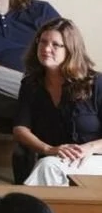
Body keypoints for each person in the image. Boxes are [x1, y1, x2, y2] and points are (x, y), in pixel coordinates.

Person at [13, 18, 102, 186]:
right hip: (56, 159)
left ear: (70, 49)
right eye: (43, 42)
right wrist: (48, 149)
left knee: (49, 167)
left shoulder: (96, 83)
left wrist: (88, 148)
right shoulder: (31, 84)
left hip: (95, 160)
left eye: (56, 45)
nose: (46, 49)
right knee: (49, 166)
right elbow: (20, 129)